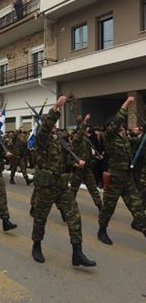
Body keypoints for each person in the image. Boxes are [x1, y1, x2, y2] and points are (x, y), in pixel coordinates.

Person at [31, 95, 96, 267]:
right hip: (46, 187)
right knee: (40, 218)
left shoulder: (60, 141)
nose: (55, 127)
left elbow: (64, 160)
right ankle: (36, 246)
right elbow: (44, 130)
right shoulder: (41, 139)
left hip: (61, 185)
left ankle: (77, 253)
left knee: (74, 216)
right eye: (52, 124)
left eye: (55, 125)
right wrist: (55, 107)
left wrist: (75, 163)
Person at [98, 96, 146, 245]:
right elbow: (118, 120)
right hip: (114, 180)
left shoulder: (123, 138)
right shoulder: (109, 137)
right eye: (118, 124)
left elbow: (138, 141)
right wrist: (126, 104)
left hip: (127, 178)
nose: (122, 126)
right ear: (111, 126)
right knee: (108, 208)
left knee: (137, 207)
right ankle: (102, 230)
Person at [70, 114, 103, 212]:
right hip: (78, 170)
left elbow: (90, 154)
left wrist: (96, 157)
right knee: (73, 190)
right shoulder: (76, 140)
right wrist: (85, 122)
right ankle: (70, 208)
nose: (85, 131)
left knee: (93, 189)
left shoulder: (85, 140)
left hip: (87, 169)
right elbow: (70, 158)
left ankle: (100, 207)